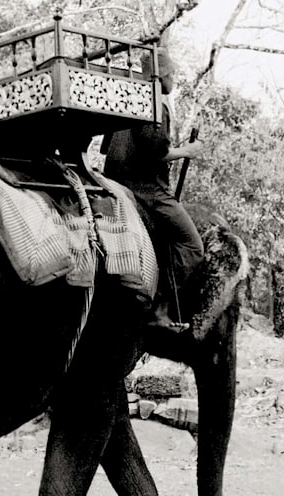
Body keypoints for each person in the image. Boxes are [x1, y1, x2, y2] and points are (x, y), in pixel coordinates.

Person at [103, 46, 207, 331]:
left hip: (113, 182)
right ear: (162, 76)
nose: (175, 79)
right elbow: (157, 154)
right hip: (146, 189)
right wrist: (188, 150)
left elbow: (110, 146)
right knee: (192, 245)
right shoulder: (154, 103)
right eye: (172, 73)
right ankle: (159, 305)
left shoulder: (127, 99)